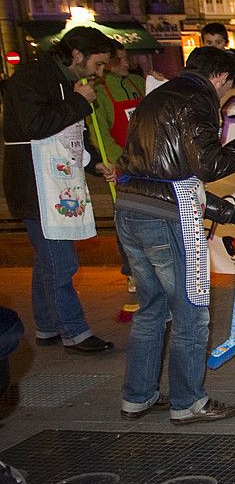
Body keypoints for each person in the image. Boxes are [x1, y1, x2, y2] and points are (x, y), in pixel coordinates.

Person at [114, 46, 235, 425]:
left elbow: (173, 175)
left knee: (152, 310)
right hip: (165, 219)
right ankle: (188, 402)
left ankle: (138, 396)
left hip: (131, 207)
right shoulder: (196, 99)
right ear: (219, 77)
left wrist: (230, 213)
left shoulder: (157, 98)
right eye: (228, 88)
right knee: (191, 311)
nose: (224, 95)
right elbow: (209, 165)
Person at [1, 26, 117, 354]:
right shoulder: (30, 77)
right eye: (97, 64)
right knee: (61, 261)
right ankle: (74, 331)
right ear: (77, 55)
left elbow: (73, 135)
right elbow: (35, 125)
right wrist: (80, 101)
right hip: (35, 184)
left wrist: (95, 163)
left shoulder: (68, 81)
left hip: (58, 184)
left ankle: (47, 325)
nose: (100, 72)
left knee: (48, 258)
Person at [93, 41, 146, 294]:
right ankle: (131, 271)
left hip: (148, 164)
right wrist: (120, 160)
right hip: (124, 166)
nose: (125, 64)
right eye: (118, 60)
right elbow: (99, 134)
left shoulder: (138, 83)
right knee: (125, 220)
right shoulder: (100, 91)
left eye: (126, 58)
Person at [201, 21, 235, 86]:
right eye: (209, 43)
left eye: (218, 42)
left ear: (226, 43)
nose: (214, 47)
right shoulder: (200, 61)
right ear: (203, 43)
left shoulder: (233, 60)